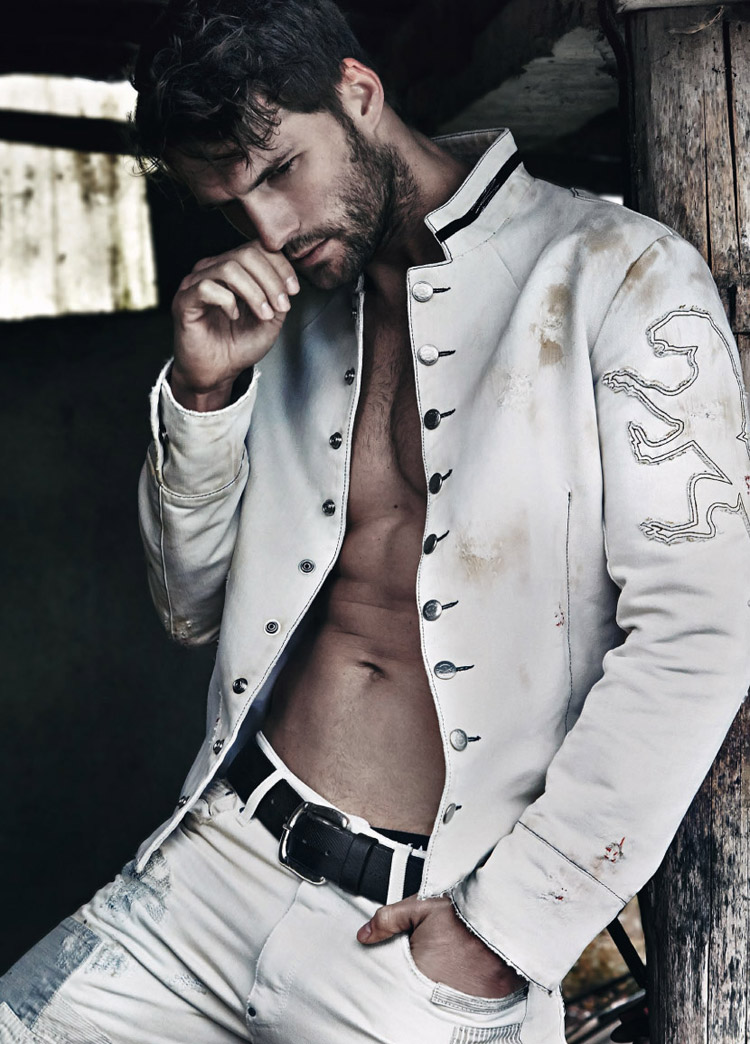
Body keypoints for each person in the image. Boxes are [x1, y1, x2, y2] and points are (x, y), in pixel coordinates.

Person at [2, 0, 750, 1041]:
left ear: (358, 93)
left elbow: (702, 632)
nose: (270, 231)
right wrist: (205, 396)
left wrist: (509, 929)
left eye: (279, 171)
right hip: (216, 865)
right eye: (232, 204)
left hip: (422, 937)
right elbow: (189, 607)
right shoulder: (288, 315)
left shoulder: (616, 273)